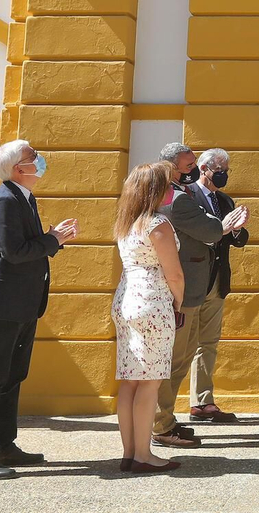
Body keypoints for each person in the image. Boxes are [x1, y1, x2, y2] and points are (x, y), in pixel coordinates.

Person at [0, 140, 78, 480]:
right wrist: (53, 240)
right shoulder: (3, 201)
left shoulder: (22, 199)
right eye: (33, 158)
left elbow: (23, 248)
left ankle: (3, 444)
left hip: (22, 303)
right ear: (18, 169)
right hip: (2, 305)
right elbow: (14, 251)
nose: (39, 161)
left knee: (12, 377)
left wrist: (50, 238)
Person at [150, 143, 239, 449]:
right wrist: (223, 226)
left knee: (183, 355)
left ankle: (166, 420)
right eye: (189, 167)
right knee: (176, 359)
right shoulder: (178, 200)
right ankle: (161, 424)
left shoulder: (168, 194)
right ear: (172, 168)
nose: (192, 172)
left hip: (193, 286)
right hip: (183, 290)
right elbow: (212, 231)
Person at [113, 162, 185, 474]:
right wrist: (178, 304)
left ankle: (130, 452)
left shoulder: (127, 223)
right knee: (150, 382)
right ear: (156, 191)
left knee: (130, 381)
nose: (172, 189)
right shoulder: (158, 225)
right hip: (153, 302)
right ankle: (144, 453)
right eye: (168, 184)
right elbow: (175, 274)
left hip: (126, 300)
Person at [188, 148, 251, 424]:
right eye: (219, 169)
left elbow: (237, 240)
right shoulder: (187, 196)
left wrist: (237, 228)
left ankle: (202, 402)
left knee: (208, 342)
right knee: (182, 344)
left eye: (227, 169)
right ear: (203, 168)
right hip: (190, 279)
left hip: (216, 281)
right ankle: (159, 406)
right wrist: (220, 228)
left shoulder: (224, 199)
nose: (223, 174)